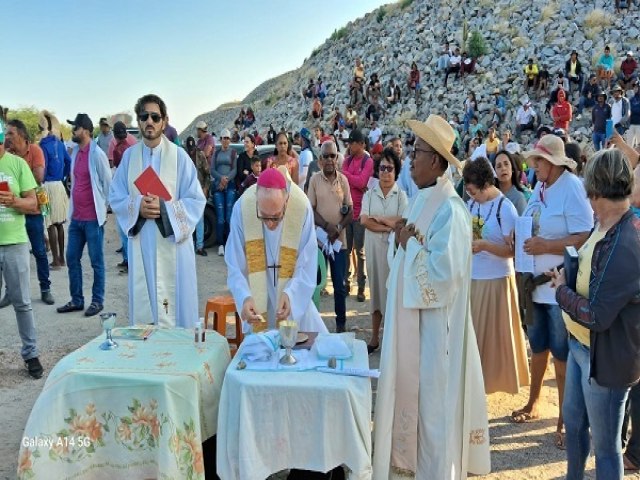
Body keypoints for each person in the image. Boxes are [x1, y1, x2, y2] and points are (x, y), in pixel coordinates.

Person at [373, 115, 490, 479]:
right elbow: (401, 257)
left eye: (417, 152)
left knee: (434, 413)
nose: (409, 158)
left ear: (437, 161)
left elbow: (445, 274)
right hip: (411, 330)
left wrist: (408, 246)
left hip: (435, 336)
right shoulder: (421, 201)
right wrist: (401, 244)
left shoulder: (452, 211)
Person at [549, 148, 640, 479]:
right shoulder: (606, 225)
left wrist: (562, 291)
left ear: (597, 189)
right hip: (582, 346)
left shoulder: (628, 240)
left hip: (605, 359)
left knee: (606, 448)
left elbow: (597, 314)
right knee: (573, 423)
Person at [512, 134, 594, 450]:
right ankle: (534, 404)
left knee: (561, 356)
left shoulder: (571, 188)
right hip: (536, 286)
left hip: (558, 287)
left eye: (538, 160)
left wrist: (546, 245)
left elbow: (586, 234)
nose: (533, 165)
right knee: (539, 348)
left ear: (553, 163)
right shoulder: (542, 188)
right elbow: (528, 223)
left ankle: (565, 419)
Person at [109, 94, 205, 327]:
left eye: (155, 116)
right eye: (144, 116)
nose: (149, 121)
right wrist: (136, 206)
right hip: (142, 244)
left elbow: (195, 200)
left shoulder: (179, 157)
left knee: (177, 311)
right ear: (139, 121)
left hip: (172, 244)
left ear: (164, 121)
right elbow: (115, 196)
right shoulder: (129, 158)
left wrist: (165, 209)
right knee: (146, 308)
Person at [226, 167, 328, 334]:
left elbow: (307, 262)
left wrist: (291, 295)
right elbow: (234, 262)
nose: (270, 224)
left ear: (286, 201)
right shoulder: (243, 207)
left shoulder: (301, 207)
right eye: (264, 216)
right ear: (256, 201)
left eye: (276, 217)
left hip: (291, 292)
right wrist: (244, 297)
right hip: (257, 298)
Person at [463, 157, 530, 394]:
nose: (469, 195)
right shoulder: (472, 205)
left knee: (494, 338)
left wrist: (484, 246)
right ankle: (474, 380)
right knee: (474, 335)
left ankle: (493, 381)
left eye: (472, 190)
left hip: (498, 280)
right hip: (474, 278)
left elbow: (513, 251)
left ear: (483, 184)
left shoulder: (506, 208)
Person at [0, 119, 44, 378]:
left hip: (15, 243)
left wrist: (14, 200)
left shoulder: (17, 165)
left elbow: (35, 204)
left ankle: (31, 353)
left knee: (22, 303)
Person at [57, 114, 112, 317]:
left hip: (92, 219)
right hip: (77, 218)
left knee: (96, 261)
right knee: (71, 258)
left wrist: (104, 209)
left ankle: (97, 301)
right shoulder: (76, 153)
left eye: (76, 128)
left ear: (86, 131)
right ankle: (77, 300)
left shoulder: (96, 154)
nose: (73, 131)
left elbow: (108, 183)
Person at [2, 120, 54, 306]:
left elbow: (39, 177)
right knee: (9, 255)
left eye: (10, 134)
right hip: (12, 210)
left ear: (22, 136)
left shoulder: (35, 151)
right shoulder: (6, 156)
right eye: (5, 134)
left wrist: (18, 171)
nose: (7, 138)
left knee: (39, 250)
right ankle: (10, 292)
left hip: (32, 208)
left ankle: (45, 288)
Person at [360, 147, 407, 353]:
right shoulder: (370, 194)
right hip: (373, 248)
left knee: (392, 291)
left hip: (393, 251)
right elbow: (365, 221)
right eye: (382, 168)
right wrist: (389, 225)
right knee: (376, 291)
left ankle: (391, 337)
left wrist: (380, 219)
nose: (386, 172)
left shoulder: (401, 196)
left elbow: (403, 221)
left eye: (390, 168)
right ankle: (374, 336)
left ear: (396, 171)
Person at [308, 141, 353, 333]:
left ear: (337, 158)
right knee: (315, 286)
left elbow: (350, 210)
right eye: (325, 156)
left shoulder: (343, 180)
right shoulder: (314, 180)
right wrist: (327, 227)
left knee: (340, 286)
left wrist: (339, 228)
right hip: (319, 242)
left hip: (338, 243)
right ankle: (312, 326)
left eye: (332, 156)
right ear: (320, 160)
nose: (329, 160)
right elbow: (310, 208)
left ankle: (341, 326)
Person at [342, 129, 373, 302]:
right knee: (347, 250)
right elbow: (345, 178)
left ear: (361, 144)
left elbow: (362, 182)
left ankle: (361, 286)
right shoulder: (347, 160)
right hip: (347, 212)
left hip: (361, 213)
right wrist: (354, 179)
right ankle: (347, 283)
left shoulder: (367, 162)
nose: (350, 145)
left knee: (360, 251)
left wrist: (350, 178)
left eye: (352, 142)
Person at [38, 111, 71, 270]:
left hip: (46, 186)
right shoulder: (60, 143)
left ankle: (56, 260)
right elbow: (68, 161)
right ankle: (62, 258)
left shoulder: (42, 145)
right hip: (59, 185)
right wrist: (63, 176)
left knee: (49, 223)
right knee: (60, 223)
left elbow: (41, 168)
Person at [211, 128, 237, 256]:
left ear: (230, 139)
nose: (225, 140)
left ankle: (229, 244)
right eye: (223, 138)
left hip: (230, 186)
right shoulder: (216, 153)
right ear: (220, 140)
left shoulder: (233, 153)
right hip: (218, 187)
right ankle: (221, 244)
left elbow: (235, 170)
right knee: (220, 217)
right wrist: (220, 179)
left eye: (227, 138)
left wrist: (226, 180)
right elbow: (212, 170)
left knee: (229, 217)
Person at [184, 135, 210, 256]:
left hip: (199, 189)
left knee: (200, 218)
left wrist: (205, 188)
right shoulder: (183, 156)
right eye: (190, 149)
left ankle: (199, 246)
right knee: (186, 219)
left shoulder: (200, 155)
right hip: (186, 191)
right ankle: (187, 246)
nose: (191, 151)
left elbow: (207, 173)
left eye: (192, 148)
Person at [495, 150, 527, 215]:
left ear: (512, 168)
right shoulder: (490, 195)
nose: (503, 168)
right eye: (499, 166)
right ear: (494, 172)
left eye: (506, 164)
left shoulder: (519, 198)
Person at [629, 80, 640, 148]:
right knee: (629, 145)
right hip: (631, 124)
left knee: (638, 146)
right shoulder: (631, 99)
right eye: (634, 87)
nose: (635, 88)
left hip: (639, 125)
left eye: (637, 87)